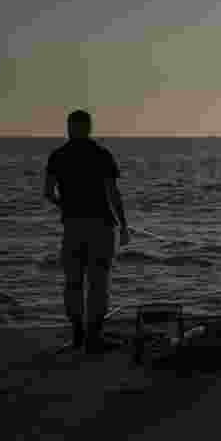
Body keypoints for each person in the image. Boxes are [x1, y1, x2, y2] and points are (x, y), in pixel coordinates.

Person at [43, 110, 131, 353]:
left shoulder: (58, 156)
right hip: (101, 226)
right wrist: (123, 225)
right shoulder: (101, 154)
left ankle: (78, 335)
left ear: (70, 127)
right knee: (98, 282)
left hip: (72, 226)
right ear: (89, 128)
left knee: (73, 282)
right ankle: (94, 337)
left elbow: (48, 192)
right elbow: (113, 193)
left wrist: (65, 205)